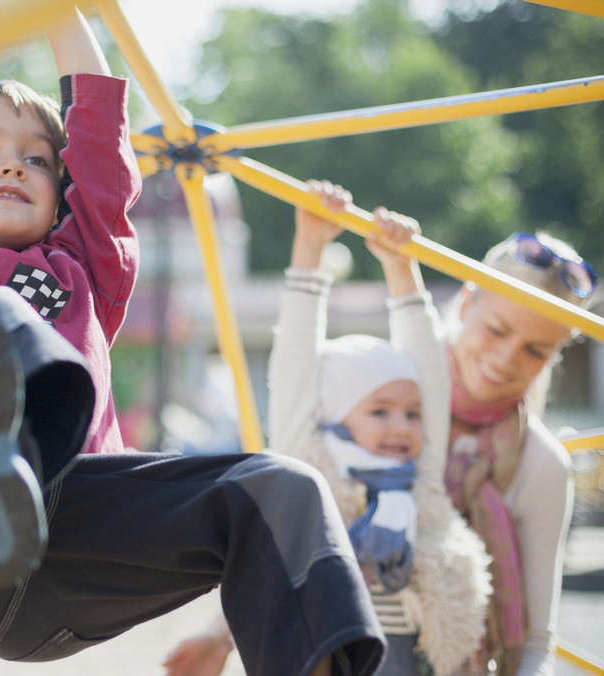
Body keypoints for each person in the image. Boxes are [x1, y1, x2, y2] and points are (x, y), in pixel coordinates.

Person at [0, 2, 385, 674]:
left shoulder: (85, 269)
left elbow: (97, 143)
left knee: (281, 488)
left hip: (71, 559)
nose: (13, 167)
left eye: (37, 159)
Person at [164, 183, 490, 676]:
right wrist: (310, 246)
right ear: (333, 415)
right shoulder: (314, 478)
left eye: (411, 413)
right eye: (379, 411)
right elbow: (294, 364)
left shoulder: (417, 478)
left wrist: (402, 270)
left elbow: (431, 374)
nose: (401, 426)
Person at [441, 230, 597, 675]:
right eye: (496, 329)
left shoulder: (542, 464)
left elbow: (534, 642)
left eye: (535, 350)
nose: (506, 359)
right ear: (467, 304)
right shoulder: (384, 400)